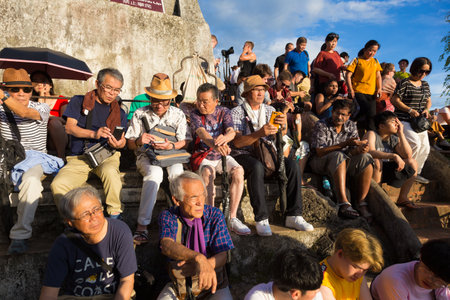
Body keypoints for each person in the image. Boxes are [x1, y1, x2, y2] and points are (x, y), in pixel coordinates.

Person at [231, 75, 314, 236]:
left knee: (292, 166)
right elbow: (237, 143)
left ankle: (294, 215)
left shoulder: (270, 110)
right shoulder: (237, 112)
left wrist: (283, 126)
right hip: (243, 153)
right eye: (256, 90)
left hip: (268, 152)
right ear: (247, 93)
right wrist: (259, 133)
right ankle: (261, 218)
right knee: (256, 167)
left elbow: (278, 136)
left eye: (263, 90)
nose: (261, 93)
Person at [0, 68, 64, 254]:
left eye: (26, 89)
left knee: (32, 182)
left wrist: (4, 97)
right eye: (15, 89)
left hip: (35, 158)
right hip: (7, 159)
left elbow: (24, 112)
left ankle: (20, 235)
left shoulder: (40, 108)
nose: (21, 93)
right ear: (7, 90)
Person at [51, 68, 128, 219]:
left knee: (111, 174)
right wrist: (94, 134)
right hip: (80, 157)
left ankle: (115, 217)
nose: (112, 93)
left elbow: (123, 140)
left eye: (117, 90)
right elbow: (70, 128)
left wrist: (118, 144)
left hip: (107, 154)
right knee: (58, 185)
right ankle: (73, 221)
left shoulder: (120, 112)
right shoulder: (79, 101)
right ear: (97, 83)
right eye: (108, 88)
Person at [125, 73, 191, 244]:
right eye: (155, 100)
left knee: (177, 175)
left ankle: (183, 220)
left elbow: (185, 140)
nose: (160, 105)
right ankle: (142, 226)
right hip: (146, 154)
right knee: (154, 175)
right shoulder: (140, 113)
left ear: (170, 100)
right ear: (150, 97)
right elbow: (130, 144)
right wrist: (140, 141)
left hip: (171, 154)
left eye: (165, 101)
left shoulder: (177, 114)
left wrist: (172, 146)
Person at [39, 187, 137, 300]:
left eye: (96, 209)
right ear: (70, 222)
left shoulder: (119, 231)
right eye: (85, 214)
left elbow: (127, 280)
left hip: (112, 296)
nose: (93, 217)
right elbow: (49, 292)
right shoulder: (63, 244)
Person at [157, 172, 234, 299]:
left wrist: (202, 266)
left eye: (202, 195)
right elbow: (166, 245)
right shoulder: (168, 216)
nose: (200, 202)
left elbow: (223, 255)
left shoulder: (214, 215)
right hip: (179, 286)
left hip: (213, 284)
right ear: (177, 200)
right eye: (193, 197)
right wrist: (198, 258)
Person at [190, 83, 250, 235]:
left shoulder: (224, 111)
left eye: (205, 101)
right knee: (207, 173)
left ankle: (232, 217)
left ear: (216, 101)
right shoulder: (195, 114)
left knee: (238, 171)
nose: (201, 104)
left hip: (222, 154)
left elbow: (231, 131)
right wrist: (214, 144)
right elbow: (202, 133)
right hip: (204, 155)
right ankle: (209, 217)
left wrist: (226, 138)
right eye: (199, 100)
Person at [309, 100, 374, 221]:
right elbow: (319, 151)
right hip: (319, 162)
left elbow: (352, 151)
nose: (339, 117)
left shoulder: (351, 125)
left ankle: (361, 203)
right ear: (332, 112)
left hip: (342, 162)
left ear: (348, 116)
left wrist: (361, 149)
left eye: (343, 114)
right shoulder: (321, 125)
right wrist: (344, 144)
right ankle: (343, 202)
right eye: (337, 113)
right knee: (338, 155)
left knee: (367, 158)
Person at [390, 57, 433, 184]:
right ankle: (406, 170)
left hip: (419, 122)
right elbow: (394, 100)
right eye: (421, 71)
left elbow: (428, 100)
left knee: (425, 148)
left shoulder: (425, 85)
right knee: (415, 144)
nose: (423, 74)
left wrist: (426, 109)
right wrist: (409, 110)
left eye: (427, 72)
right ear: (415, 69)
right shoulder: (404, 82)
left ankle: (416, 173)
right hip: (404, 119)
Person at [364, 111, 418, 208]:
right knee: (377, 160)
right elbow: (370, 152)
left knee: (412, 162)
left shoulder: (393, 138)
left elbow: (408, 155)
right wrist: (393, 156)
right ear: (381, 126)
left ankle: (403, 197)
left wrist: (401, 133)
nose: (397, 124)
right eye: (393, 122)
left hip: (386, 170)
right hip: (370, 169)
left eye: (397, 122)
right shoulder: (371, 133)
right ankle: (377, 197)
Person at [371, 239, 450, 300]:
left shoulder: (441, 282)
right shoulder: (394, 280)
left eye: (439, 279)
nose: (431, 280)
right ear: (421, 258)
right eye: (428, 270)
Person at [320, 228, 384, 300]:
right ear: (340, 254)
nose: (359, 275)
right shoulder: (322, 283)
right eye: (355, 267)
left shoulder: (356, 275)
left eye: (365, 270)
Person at [245, 249, 324, 300]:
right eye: (315, 292)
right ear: (295, 294)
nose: (317, 294)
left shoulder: (314, 295)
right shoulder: (257, 297)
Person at [346, 40, 382, 132]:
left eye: (374, 51)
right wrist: (350, 90)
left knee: (371, 116)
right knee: (366, 110)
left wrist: (379, 89)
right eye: (370, 50)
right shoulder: (356, 60)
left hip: (371, 93)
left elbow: (378, 76)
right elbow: (348, 75)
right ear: (365, 49)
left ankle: (370, 136)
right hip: (358, 91)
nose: (372, 53)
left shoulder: (375, 61)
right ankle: (349, 122)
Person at [30, 71, 68, 159]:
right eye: (36, 81)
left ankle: (61, 157)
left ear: (50, 85)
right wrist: (41, 95)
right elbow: (38, 116)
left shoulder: (61, 99)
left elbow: (65, 120)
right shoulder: (30, 101)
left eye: (43, 81)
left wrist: (49, 116)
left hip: (57, 135)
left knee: (54, 122)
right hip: (38, 135)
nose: (40, 84)